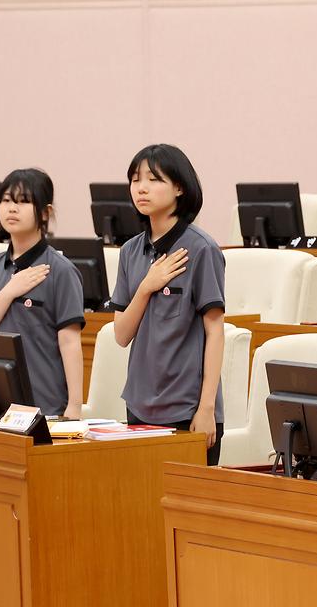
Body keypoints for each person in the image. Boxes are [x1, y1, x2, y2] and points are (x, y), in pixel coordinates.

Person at [110, 144, 226, 464]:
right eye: (135, 180)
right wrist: (146, 287)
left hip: (186, 408)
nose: (141, 188)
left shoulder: (201, 249)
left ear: (179, 188)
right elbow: (121, 335)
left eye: (153, 179)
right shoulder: (130, 251)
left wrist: (206, 410)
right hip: (139, 404)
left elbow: (215, 331)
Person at [0, 168, 85, 419]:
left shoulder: (61, 271)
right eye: (7, 200)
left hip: (46, 406)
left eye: (23, 201)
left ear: (45, 212)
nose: (12, 208)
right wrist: (9, 291)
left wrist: (74, 406)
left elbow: (70, 342)